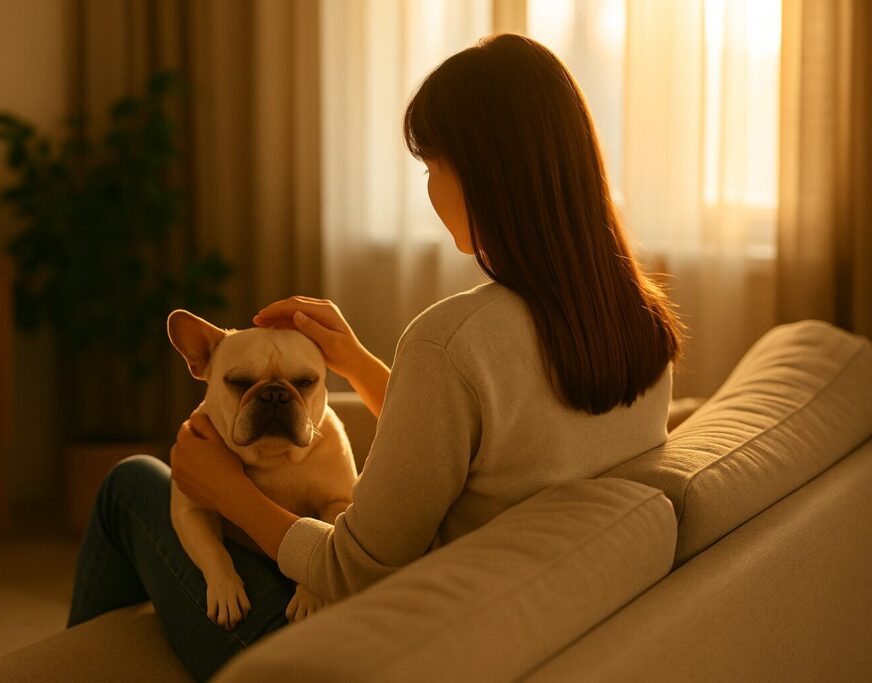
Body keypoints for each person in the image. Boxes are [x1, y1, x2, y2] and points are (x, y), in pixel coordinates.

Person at [67, 33, 683, 681]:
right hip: (521, 629)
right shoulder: (639, 325)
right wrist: (357, 362)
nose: (430, 188)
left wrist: (226, 489)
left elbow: (352, 568)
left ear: (477, 172)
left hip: (357, 643)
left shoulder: (451, 339)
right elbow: (485, 449)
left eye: (431, 167)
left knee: (130, 485)